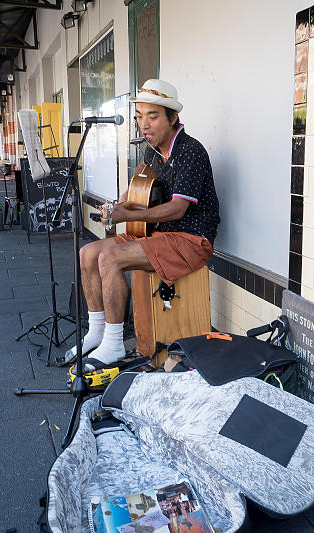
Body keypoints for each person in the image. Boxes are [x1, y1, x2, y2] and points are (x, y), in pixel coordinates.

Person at [65, 79, 220, 372]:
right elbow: (138, 181)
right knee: (87, 253)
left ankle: (113, 343)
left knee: (110, 258)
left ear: (173, 118)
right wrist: (117, 205)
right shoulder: (153, 150)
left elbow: (178, 209)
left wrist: (128, 216)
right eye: (139, 116)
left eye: (152, 116)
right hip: (160, 235)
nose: (144, 124)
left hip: (191, 239)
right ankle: (96, 331)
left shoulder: (190, 151)